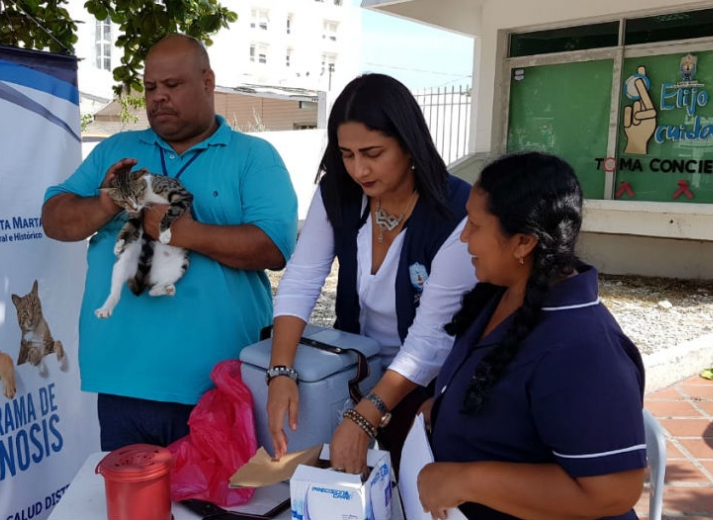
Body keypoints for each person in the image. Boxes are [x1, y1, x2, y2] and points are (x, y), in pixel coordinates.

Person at [41, 34, 298, 451]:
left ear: (208, 82)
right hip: (124, 380)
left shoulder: (253, 156)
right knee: (135, 511)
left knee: (216, 511)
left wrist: (182, 233)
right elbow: (54, 219)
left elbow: (273, 247)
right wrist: (107, 202)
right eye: (150, 88)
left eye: (172, 86)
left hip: (220, 384)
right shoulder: (117, 150)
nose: (158, 97)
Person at [265, 73, 476, 472]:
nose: (359, 170)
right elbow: (302, 279)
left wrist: (367, 414)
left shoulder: (456, 211)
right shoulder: (338, 193)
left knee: (413, 488)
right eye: (346, 154)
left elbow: (430, 340)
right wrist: (280, 371)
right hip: (356, 371)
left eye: (373, 153)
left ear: (409, 144)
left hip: (430, 387)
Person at [418, 152, 646, 519]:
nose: (463, 237)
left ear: (523, 243)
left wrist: (468, 480)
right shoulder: (501, 294)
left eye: (475, 226)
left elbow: (614, 492)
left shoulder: (583, 349)